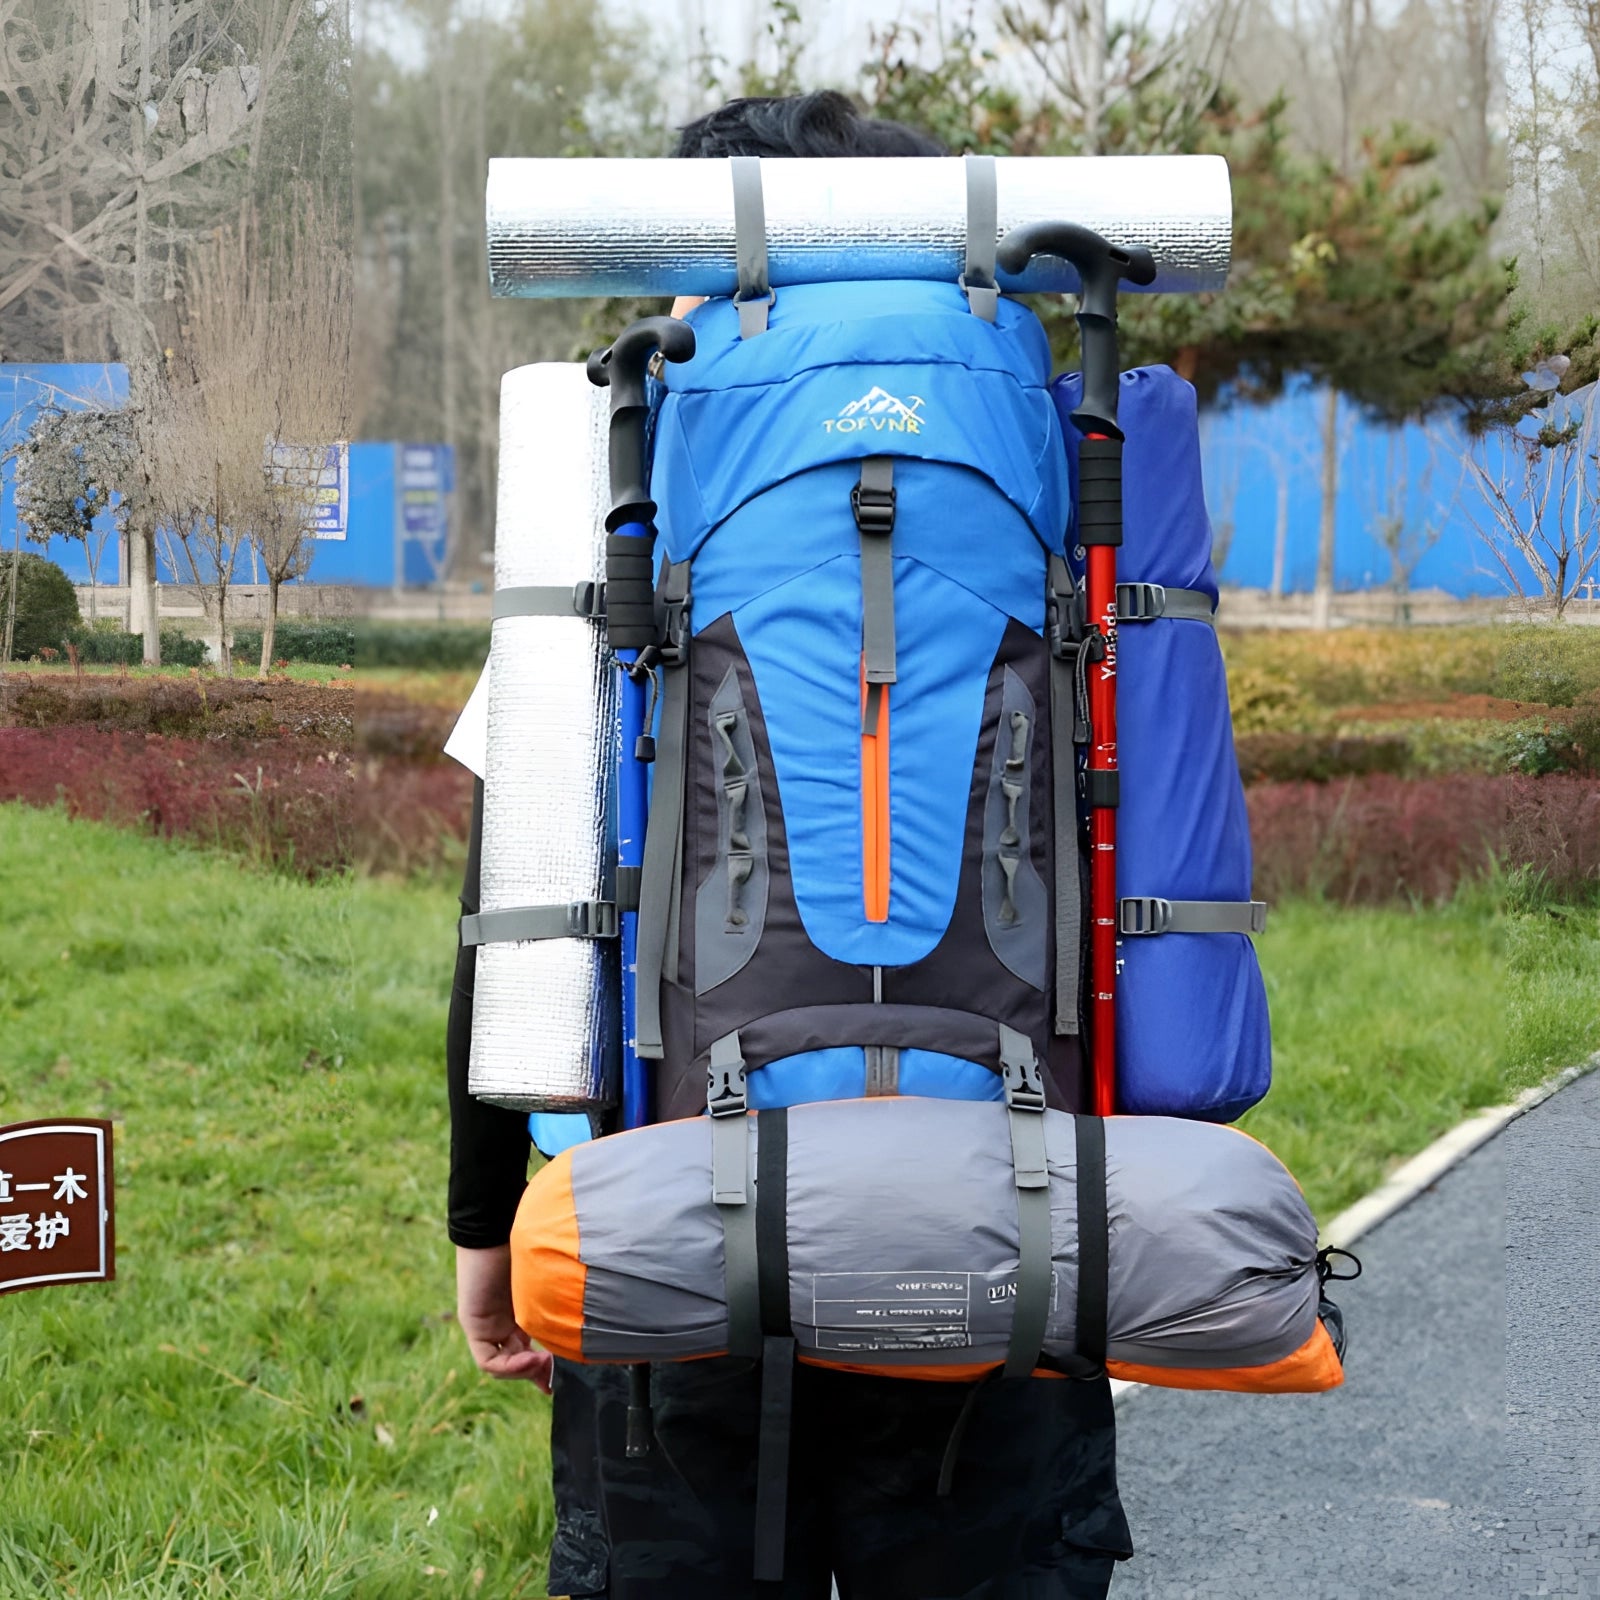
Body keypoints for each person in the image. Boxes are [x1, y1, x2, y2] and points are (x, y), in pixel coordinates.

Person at [447, 90, 1135, 1600]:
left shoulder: (634, 447)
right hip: (1006, 1218)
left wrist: (487, 1224)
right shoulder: (1038, 434)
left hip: (666, 1234)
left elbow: (528, 879)